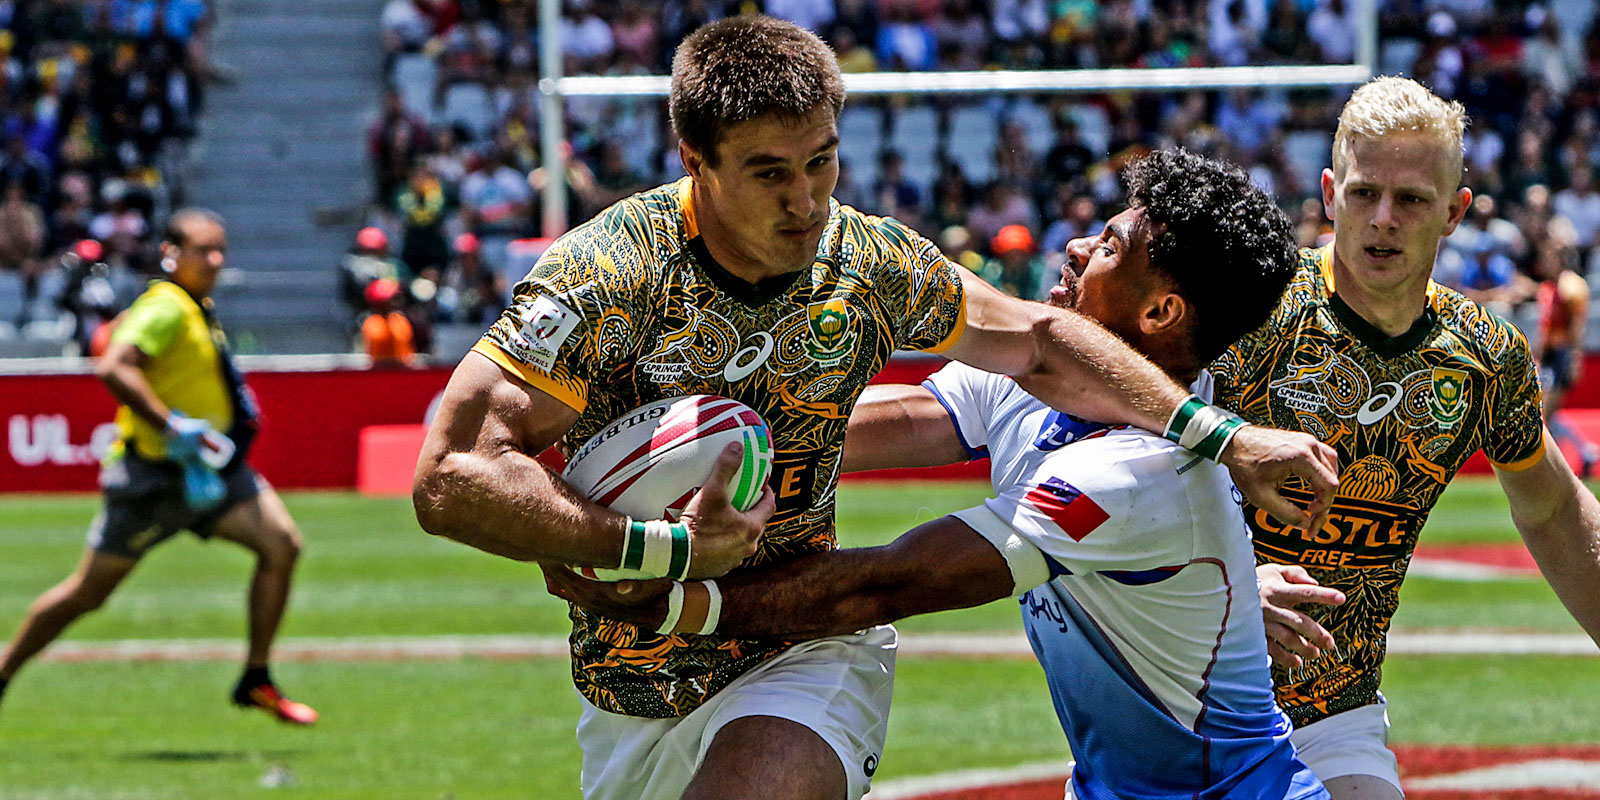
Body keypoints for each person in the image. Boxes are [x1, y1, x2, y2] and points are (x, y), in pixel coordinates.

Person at [413, 16, 1336, 800]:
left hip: (807, 651)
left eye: (822, 162)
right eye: (770, 173)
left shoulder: (869, 262)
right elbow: (450, 475)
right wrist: (647, 541)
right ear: (696, 160)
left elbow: (1033, 350)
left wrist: (1226, 442)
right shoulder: (605, 276)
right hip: (626, 689)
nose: (807, 200)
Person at [1210, 76, 1600, 800]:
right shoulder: (1243, 308)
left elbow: (1551, 509)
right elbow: (1127, 469)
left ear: (1454, 212)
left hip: (1334, 715)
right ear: (1330, 194)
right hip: (1173, 692)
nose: (1383, 219)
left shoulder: (1485, 357)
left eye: (1412, 200)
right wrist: (1220, 592)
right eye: (1364, 193)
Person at [0, 209, 317, 725]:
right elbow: (113, 365)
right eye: (202, 250)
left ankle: (256, 678)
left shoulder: (194, 305)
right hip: (153, 479)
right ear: (170, 254)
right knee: (87, 594)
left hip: (213, 472)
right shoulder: (166, 305)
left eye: (220, 250)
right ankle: (3, 671)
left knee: (282, 544)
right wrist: (171, 425)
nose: (215, 261)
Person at [1533, 237, 1599, 477]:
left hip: (1561, 352)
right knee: (1548, 412)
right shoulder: (1551, 286)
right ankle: (1585, 452)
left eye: (1550, 258)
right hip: (1552, 353)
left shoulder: (1570, 286)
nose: (1545, 262)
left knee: (1547, 412)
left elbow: (1576, 325)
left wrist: (1574, 357)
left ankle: (1560, 463)